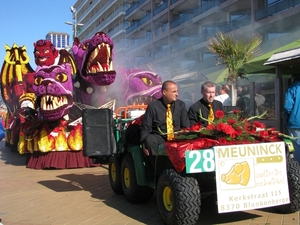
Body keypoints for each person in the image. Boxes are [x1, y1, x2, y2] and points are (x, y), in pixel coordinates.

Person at [140, 80, 189, 162]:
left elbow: (186, 126)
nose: (177, 94)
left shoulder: (181, 105)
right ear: (164, 92)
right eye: (174, 92)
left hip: (176, 136)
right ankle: (157, 168)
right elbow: (146, 127)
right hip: (160, 137)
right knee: (150, 139)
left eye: (177, 91)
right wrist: (144, 142)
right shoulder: (153, 106)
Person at [284, 73, 300, 163]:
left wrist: (286, 114)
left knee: (297, 145)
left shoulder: (292, 89)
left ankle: (298, 168)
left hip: (295, 122)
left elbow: (288, 107)